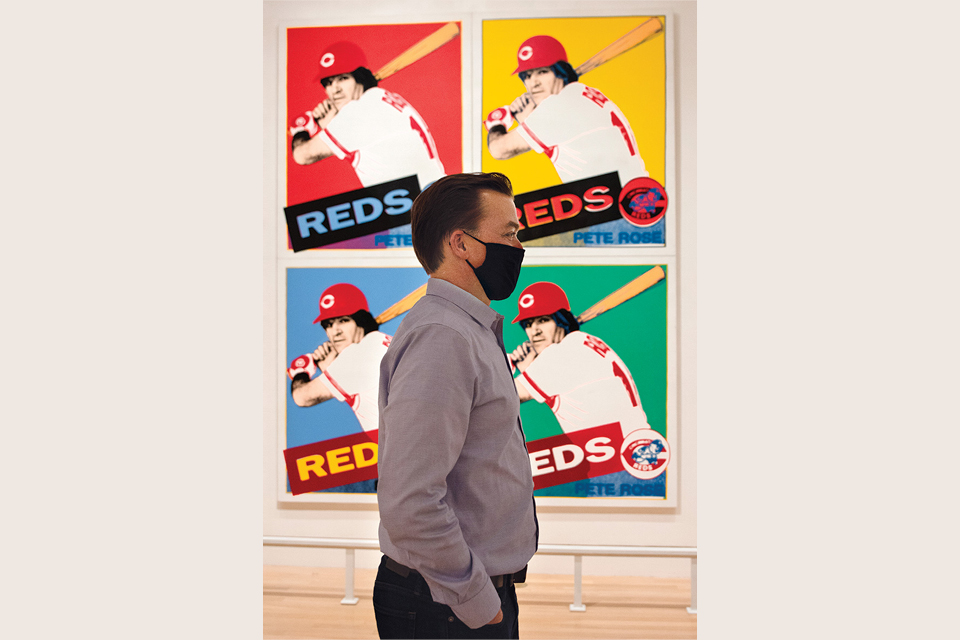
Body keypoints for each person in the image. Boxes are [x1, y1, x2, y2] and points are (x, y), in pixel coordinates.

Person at [374, 172, 538, 638]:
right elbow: (410, 502)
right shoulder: (443, 338)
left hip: (461, 596)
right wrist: (478, 601)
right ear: (461, 244)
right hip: (446, 604)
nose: (519, 245)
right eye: (508, 233)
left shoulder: (466, 330)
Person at [484, 35, 648, 187]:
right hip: (635, 200)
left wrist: (497, 124)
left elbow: (499, 150)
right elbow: (563, 147)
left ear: (561, 72)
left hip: (619, 209)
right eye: (527, 75)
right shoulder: (580, 93)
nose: (534, 83)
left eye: (542, 72)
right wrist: (529, 117)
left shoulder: (560, 106)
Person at [289, 40, 446, 190]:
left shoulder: (359, 113)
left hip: (424, 202)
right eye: (328, 83)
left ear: (360, 78)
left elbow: (303, 155)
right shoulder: (380, 98)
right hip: (434, 197)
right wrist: (329, 123)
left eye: (342, 78)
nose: (335, 90)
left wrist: (301, 130)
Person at [509, 281, 651, 438]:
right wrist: (529, 367)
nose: (534, 331)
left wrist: (505, 366)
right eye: (528, 324)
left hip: (622, 453)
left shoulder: (562, 355)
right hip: (633, 449)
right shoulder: (582, 342)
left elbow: (504, 397)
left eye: (543, 320)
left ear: (561, 320)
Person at [286, 282, 392, 433]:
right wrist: (331, 367)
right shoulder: (382, 342)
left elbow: (302, 397)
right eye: (329, 324)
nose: (335, 332)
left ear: (361, 321)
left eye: (343, 320)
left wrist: (300, 373)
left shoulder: (356, 356)